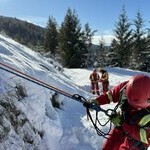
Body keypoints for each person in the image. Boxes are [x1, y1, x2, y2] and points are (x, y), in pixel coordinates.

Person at [90, 74, 150, 150]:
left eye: (138, 106)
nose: (134, 108)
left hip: (136, 141)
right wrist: (97, 101)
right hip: (121, 126)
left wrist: (122, 123)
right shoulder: (127, 87)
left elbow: (146, 136)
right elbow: (111, 95)